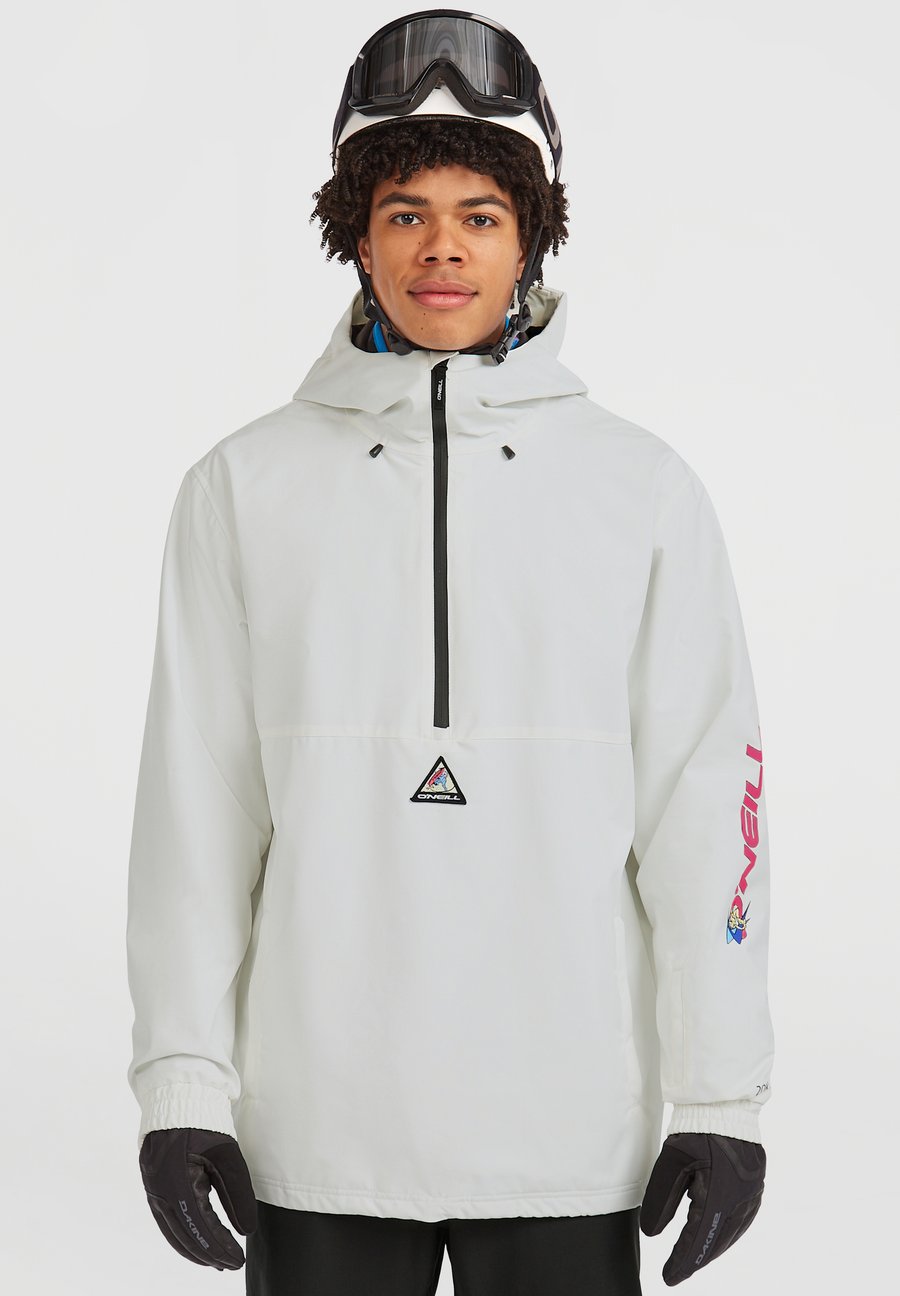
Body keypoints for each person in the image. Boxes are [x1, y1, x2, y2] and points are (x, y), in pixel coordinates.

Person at [126, 10, 774, 1294]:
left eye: (480, 214)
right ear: (356, 235)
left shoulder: (639, 489)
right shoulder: (243, 487)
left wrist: (721, 1098)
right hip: (316, 1136)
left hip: (568, 1135)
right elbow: (196, 809)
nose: (442, 249)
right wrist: (181, 1085)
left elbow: (706, 804)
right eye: (405, 213)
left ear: (529, 236)